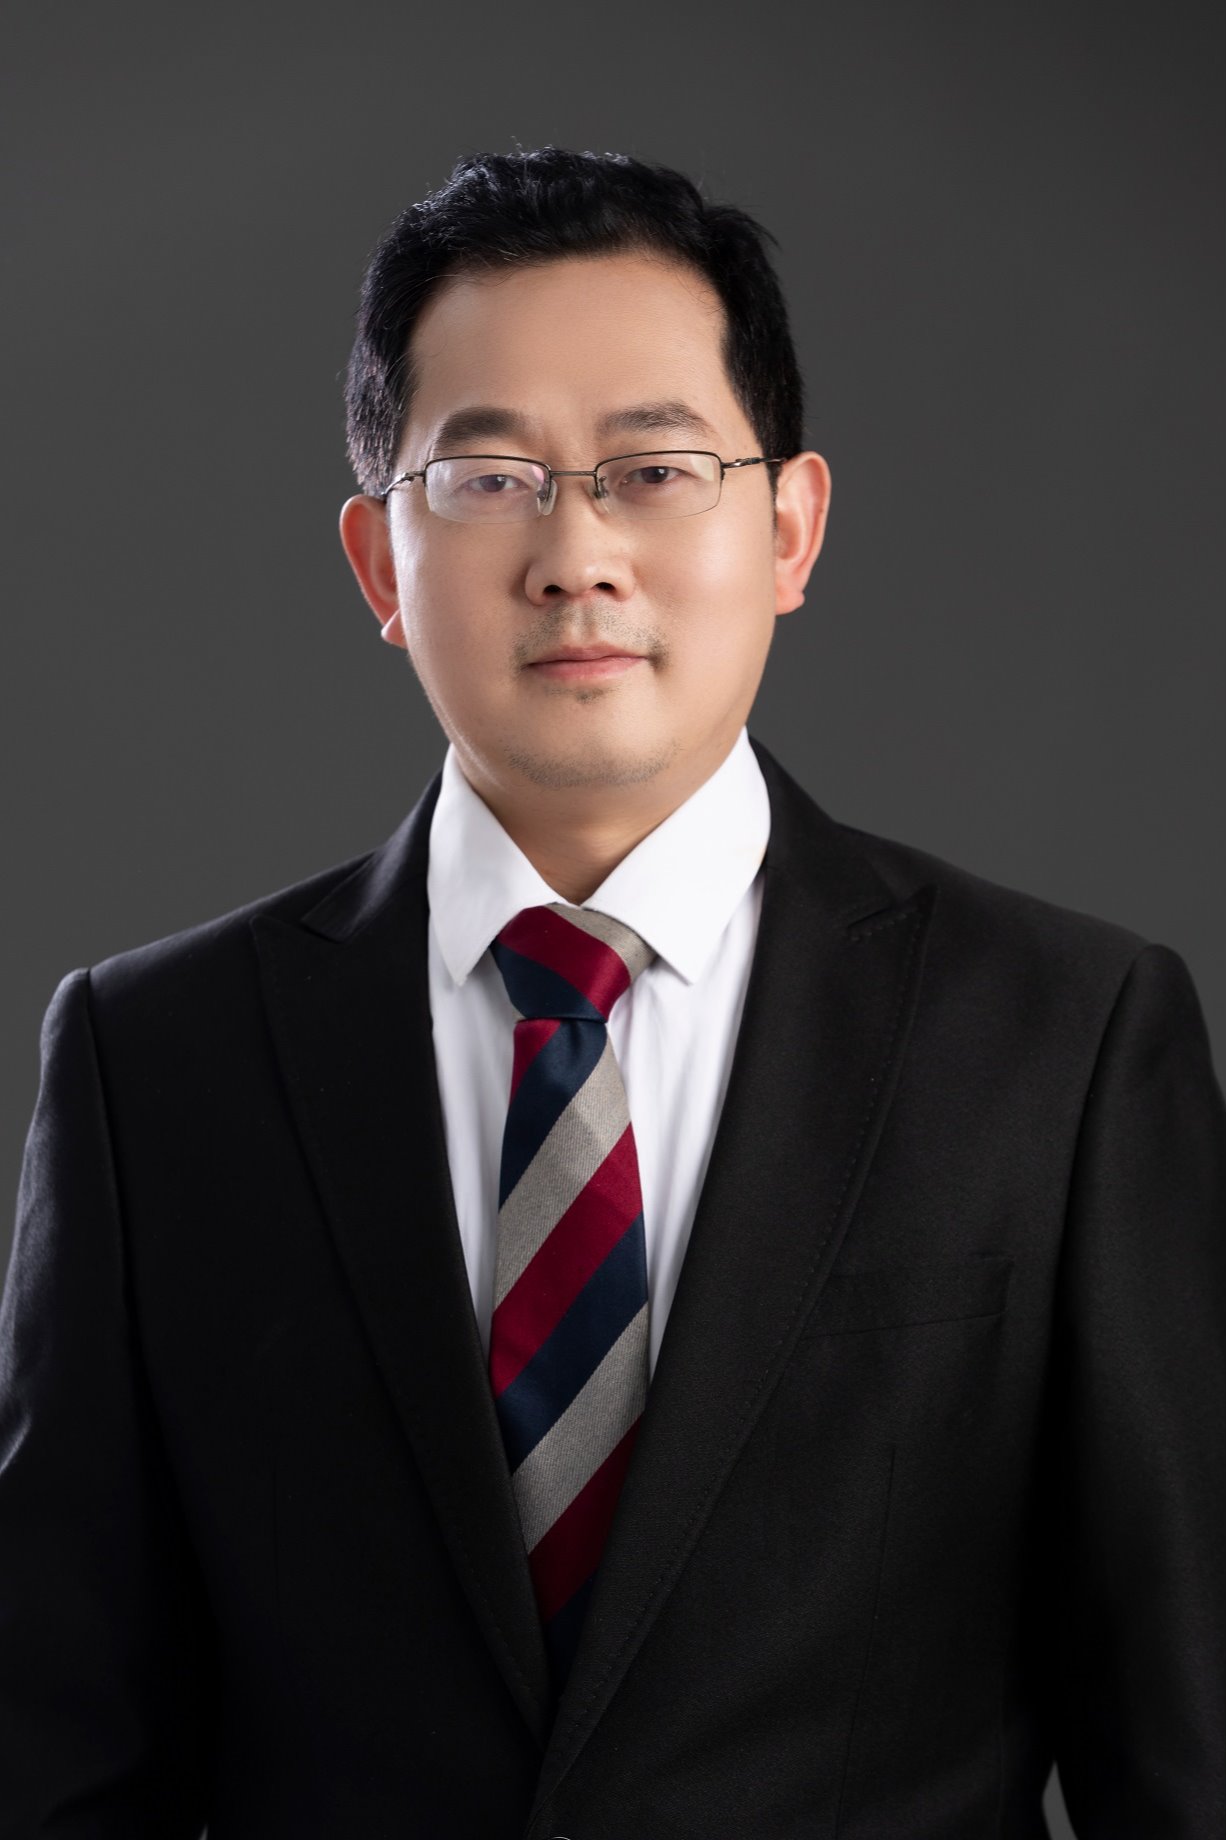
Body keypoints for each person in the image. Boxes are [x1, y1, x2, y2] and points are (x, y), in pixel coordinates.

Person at [0, 148, 1220, 1840]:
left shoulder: (1064, 1043)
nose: (576, 554)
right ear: (378, 563)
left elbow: (1192, 1749)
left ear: (788, 529)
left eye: (654, 469)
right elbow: (56, 1760)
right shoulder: (158, 1065)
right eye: (488, 479)